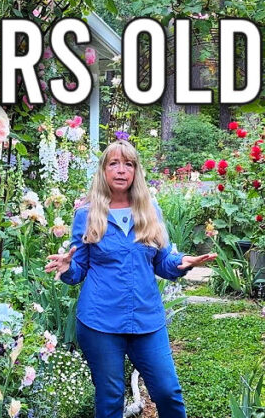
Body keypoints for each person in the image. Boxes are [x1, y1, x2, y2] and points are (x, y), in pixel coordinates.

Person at [44, 140, 217, 418]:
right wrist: (67, 267)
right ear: (103, 170)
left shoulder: (150, 210)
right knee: (111, 397)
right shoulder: (87, 214)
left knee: (168, 392)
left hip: (147, 320)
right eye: (114, 163)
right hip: (100, 322)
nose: (121, 170)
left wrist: (181, 262)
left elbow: (162, 262)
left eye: (128, 164)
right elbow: (78, 269)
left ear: (136, 171)